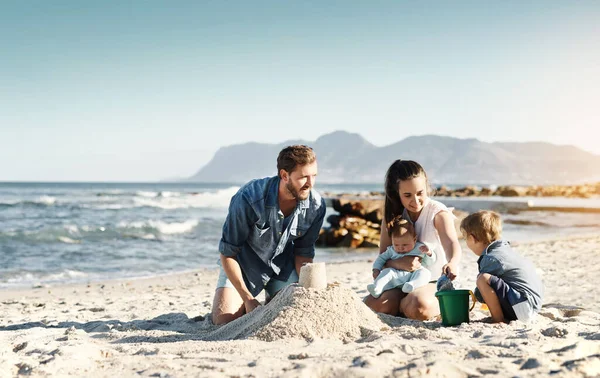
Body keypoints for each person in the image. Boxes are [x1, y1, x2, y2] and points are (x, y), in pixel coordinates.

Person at [211, 145, 326, 325]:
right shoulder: (248, 198)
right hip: (244, 267)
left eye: (314, 176)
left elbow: (303, 252)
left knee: (290, 315)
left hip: (283, 268)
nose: (310, 184)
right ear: (284, 175)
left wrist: (308, 288)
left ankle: (273, 295)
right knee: (224, 320)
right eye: (304, 177)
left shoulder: (316, 205)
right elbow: (228, 253)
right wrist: (248, 299)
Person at [364, 160, 462, 320]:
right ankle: (401, 303)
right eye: (407, 195)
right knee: (373, 305)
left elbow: (452, 243)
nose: (415, 201)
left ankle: (406, 304)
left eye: (420, 193)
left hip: (433, 280)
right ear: (397, 193)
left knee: (418, 305)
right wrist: (397, 264)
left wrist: (452, 262)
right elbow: (384, 255)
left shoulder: (438, 213)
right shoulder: (392, 217)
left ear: (426, 188)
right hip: (399, 280)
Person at [460, 210, 544, 323]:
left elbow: (481, 293)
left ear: (472, 238)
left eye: (465, 239)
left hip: (523, 308)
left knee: (482, 279)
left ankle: (498, 320)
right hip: (531, 306)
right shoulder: (505, 251)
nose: (466, 242)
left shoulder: (491, 258)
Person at [367, 216, 436, 298]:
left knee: (425, 273)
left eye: (405, 245)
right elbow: (381, 259)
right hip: (395, 276)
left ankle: (412, 285)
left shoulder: (420, 248)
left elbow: (430, 262)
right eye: (396, 244)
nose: (400, 248)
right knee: (387, 272)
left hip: (413, 275)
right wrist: (376, 269)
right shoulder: (391, 250)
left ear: (414, 239)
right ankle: (377, 288)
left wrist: (429, 253)